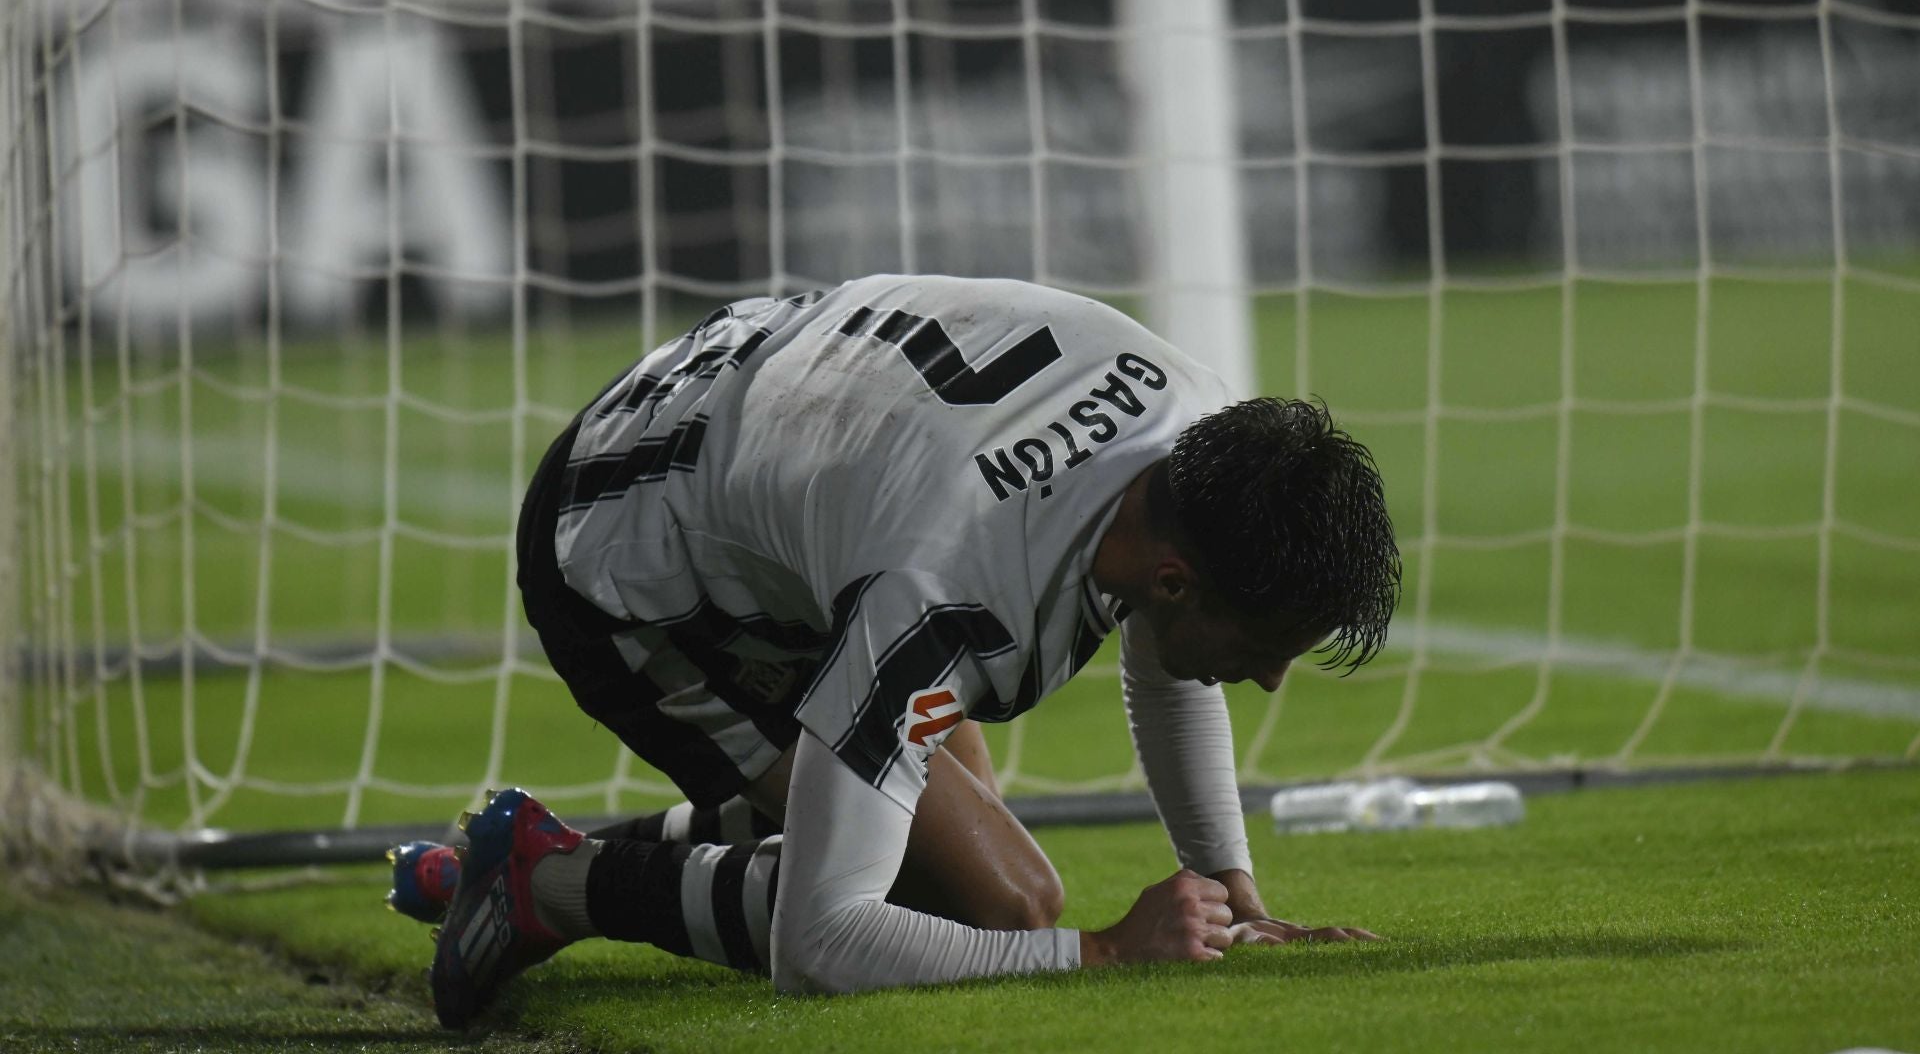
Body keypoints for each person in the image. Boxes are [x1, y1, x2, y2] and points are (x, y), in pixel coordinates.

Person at [393, 274, 1400, 1029]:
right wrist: (1099, 950)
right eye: (1267, 646)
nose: (1269, 677)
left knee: (923, 830)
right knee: (998, 903)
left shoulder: (1197, 432)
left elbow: (1167, 652)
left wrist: (1233, 887)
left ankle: (489, 858)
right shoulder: (947, 588)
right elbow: (821, 942)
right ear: (1177, 576)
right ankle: (550, 880)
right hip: (633, 554)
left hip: (760, 410)